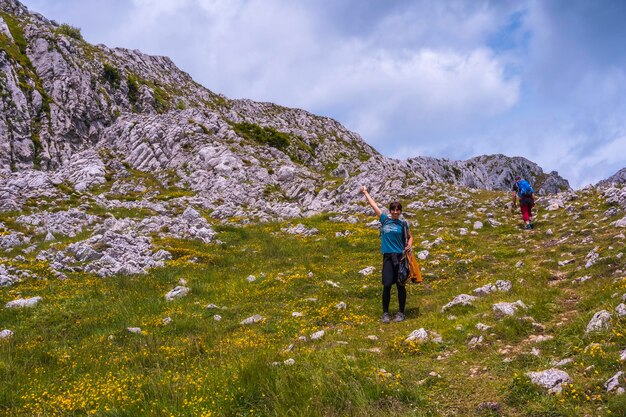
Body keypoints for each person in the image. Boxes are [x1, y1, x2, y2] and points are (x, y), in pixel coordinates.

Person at [360, 185, 413, 323]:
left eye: (398, 210)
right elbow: (373, 205)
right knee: (387, 285)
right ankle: (385, 313)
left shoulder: (403, 224)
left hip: (400, 258)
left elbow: (410, 237)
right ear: (390, 211)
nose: (395, 212)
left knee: (401, 285)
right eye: (393, 209)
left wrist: (409, 245)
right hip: (388, 257)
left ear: (400, 211)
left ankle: (401, 313)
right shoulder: (385, 220)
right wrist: (365, 192)